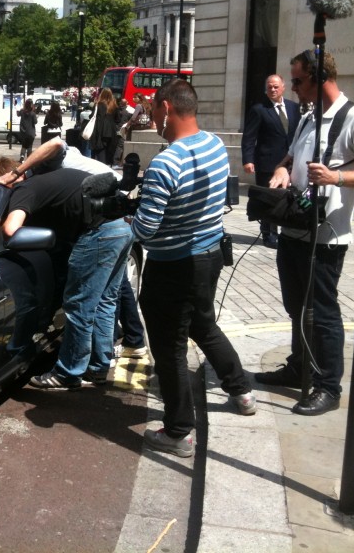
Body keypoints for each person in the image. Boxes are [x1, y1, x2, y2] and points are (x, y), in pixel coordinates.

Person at [131, 79, 256, 458]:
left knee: (169, 348)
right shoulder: (216, 144)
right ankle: (241, 391)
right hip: (210, 256)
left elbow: (145, 229)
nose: (151, 117)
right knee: (203, 322)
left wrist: (129, 215)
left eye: (153, 109)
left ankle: (179, 431)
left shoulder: (165, 163)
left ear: (166, 108)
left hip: (173, 267)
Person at [0, 137, 135, 389]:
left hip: (97, 234)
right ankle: (99, 367)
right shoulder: (47, 178)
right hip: (120, 228)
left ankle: (69, 372)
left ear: (9, 183)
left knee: (79, 305)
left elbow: (12, 230)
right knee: (105, 302)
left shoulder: (24, 190)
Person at [254, 51, 354, 416]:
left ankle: (329, 385)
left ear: (318, 77)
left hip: (326, 237)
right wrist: (282, 170)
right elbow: (290, 156)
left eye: (297, 81)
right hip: (293, 229)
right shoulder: (308, 118)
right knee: (295, 306)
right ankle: (299, 366)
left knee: (322, 311)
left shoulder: (350, 117)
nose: (291, 88)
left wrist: (336, 177)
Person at [241, 74, 301, 248]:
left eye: (276, 86)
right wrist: (248, 159)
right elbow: (249, 137)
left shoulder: (294, 108)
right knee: (269, 199)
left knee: (289, 198)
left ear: (283, 87)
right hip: (267, 162)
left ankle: (287, 230)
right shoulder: (259, 109)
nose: (273, 90)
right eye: (269, 87)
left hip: (290, 162)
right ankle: (269, 233)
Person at [89, 88, 119, 166]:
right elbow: (118, 119)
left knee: (100, 149)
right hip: (111, 130)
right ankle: (108, 165)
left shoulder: (98, 104)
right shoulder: (114, 105)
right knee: (109, 150)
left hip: (100, 129)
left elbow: (92, 116)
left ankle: (102, 165)